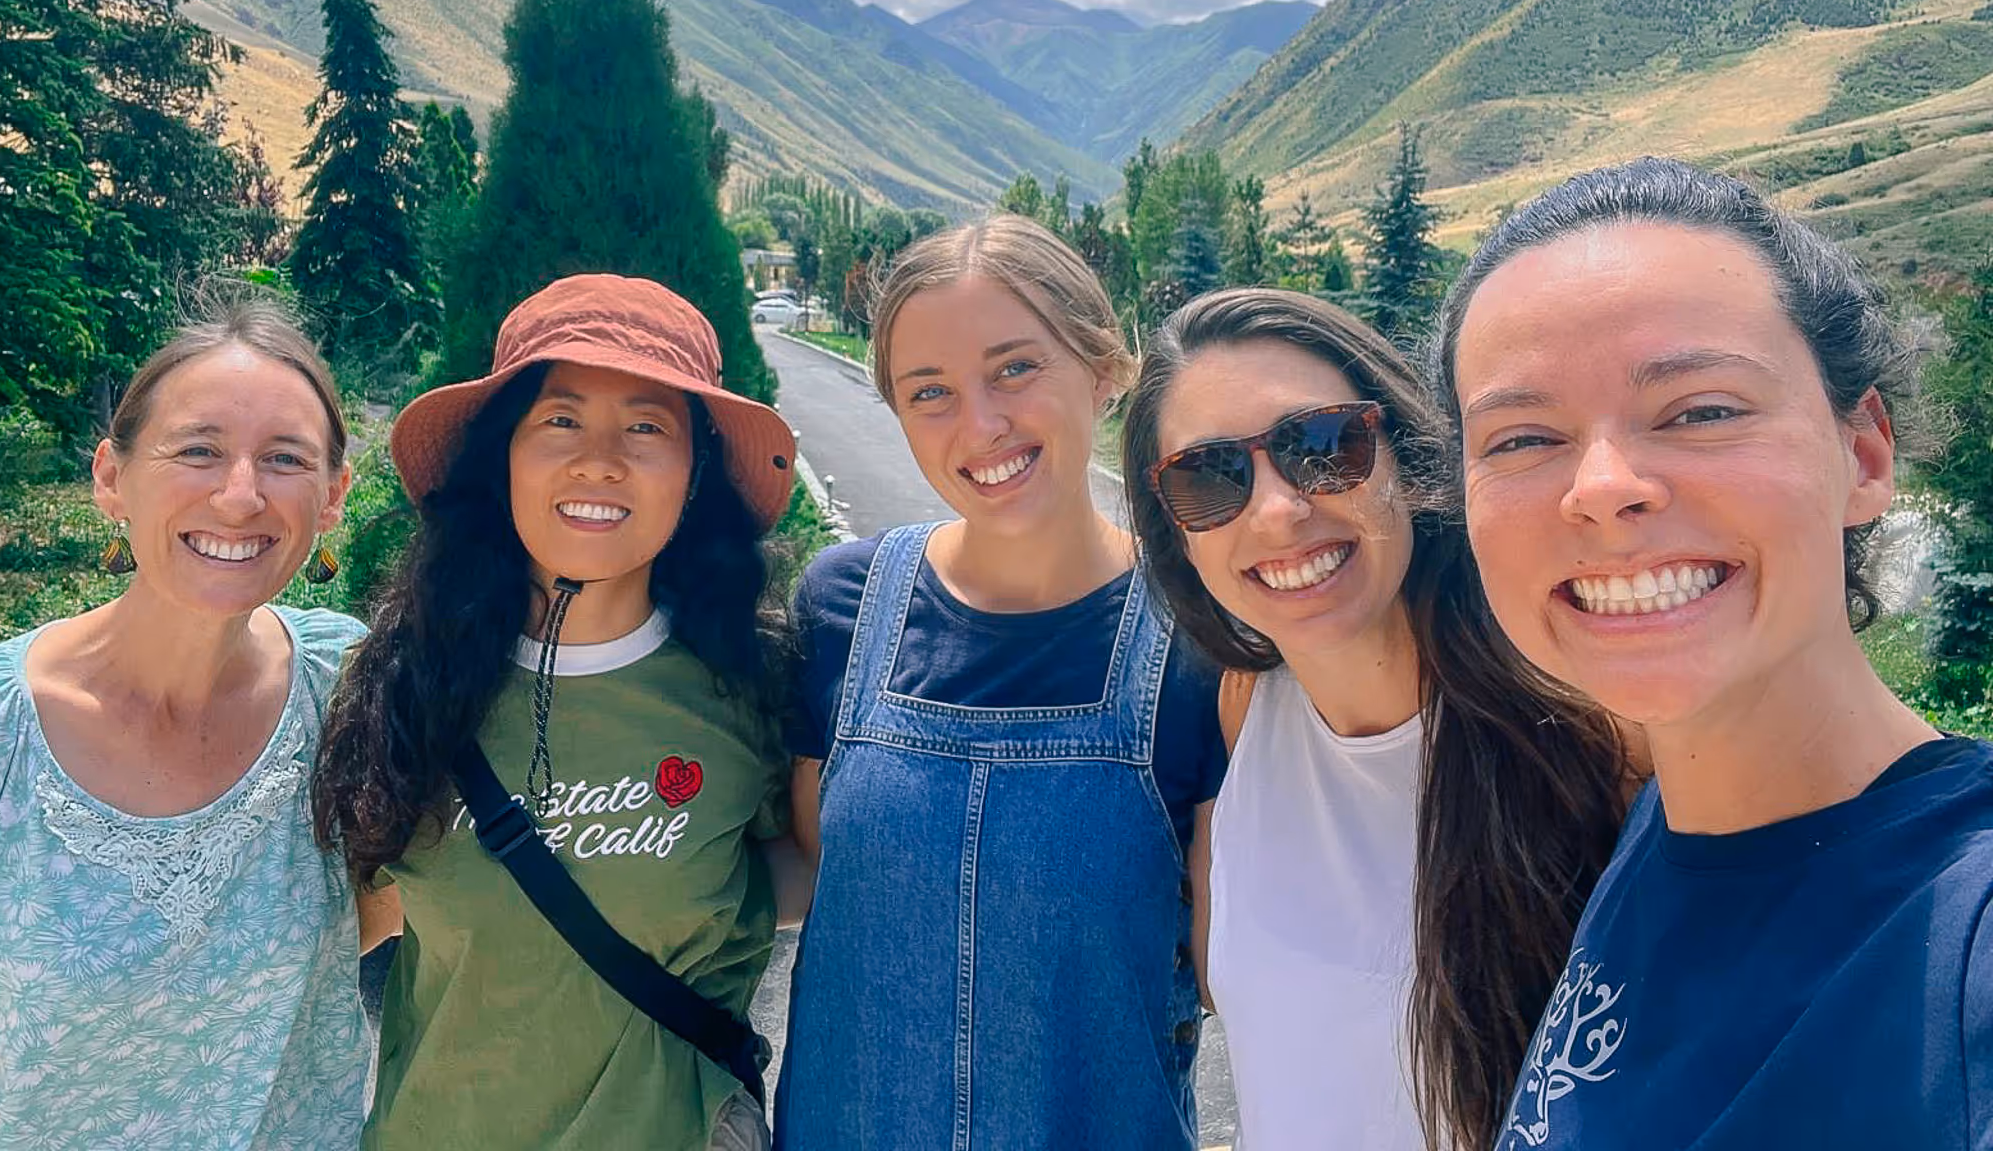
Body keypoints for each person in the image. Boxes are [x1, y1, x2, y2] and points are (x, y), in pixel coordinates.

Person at [1435, 157, 1993, 1150]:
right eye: (1521, 439)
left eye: (1700, 411)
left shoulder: (1965, 935)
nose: (1601, 486)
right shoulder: (1663, 831)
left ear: (1862, 456)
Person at [1121, 287, 1632, 1151]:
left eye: (1323, 448)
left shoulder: (1590, 726)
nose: (1279, 509)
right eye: (1211, 478)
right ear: (1175, 532)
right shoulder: (1248, 714)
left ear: (1404, 452)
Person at [313, 273, 801, 1151]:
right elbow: (342, 914)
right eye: (561, 419)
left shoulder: (754, 688)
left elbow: (803, 875)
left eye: (648, 426)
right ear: (503, 458)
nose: (600, 460)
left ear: (695, 476)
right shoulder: (401, 680)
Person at [776, 215, 1224, 1151]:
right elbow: (815, 866)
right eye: (929, 391)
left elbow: (1240, 975)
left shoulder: (1202, 641)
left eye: (1016, 368)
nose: (980, 426)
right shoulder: (841, 610)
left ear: (1103, 369)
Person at [0, 298, 372, 1148]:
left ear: (332, 499)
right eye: (198, 450)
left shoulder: (347, 690)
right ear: (111, 477)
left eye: (285, 459)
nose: (241, 495)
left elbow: (401, 910)